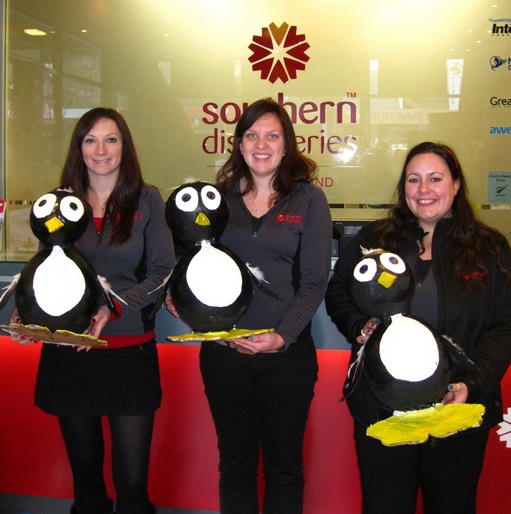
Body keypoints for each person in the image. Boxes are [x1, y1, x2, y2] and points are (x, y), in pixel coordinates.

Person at [325, 141, 511, 514]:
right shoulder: (373, 242)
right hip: (383, 406)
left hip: (456, 409)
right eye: (414, 180)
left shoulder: (490, 248)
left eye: (435, 178)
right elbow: (339, 293)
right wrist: (360, 326)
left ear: (456, 185)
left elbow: (503, 327)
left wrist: (470, 386)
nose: (424, 190)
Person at [168, 98, 332, 513]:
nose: (262, 144)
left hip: (288, 358)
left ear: (287, 144)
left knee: (284, 469)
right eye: (252, 135)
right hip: (225, 357)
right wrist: (179, 296)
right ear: (239, 144)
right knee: (236, 466)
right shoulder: (216, 200)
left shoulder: (309, 201)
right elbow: (188, 261)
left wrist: (281, 336)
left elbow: (314, 283)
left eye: (272, 135)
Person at [11, 107, 175, 514]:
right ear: (78, 148)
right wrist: (29, 316)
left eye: (111, 139)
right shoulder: (60, 203)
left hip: (129, 354)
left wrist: (112, 309)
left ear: (125, 146)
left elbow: (162, 271)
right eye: (90, 140)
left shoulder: (147, 198)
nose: (101, 150)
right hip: (70, 356)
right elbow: (45, 270)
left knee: (131, 485)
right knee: (86, 481)